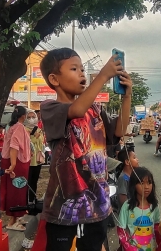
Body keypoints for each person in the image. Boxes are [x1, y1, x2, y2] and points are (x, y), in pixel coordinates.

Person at [38, 48, 132, 251]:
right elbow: (76, 110)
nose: (81, 73)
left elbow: (120, 129)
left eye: (82, 68)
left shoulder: (95, 110)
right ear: (54, 79)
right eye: (74, 69)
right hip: (64, 209)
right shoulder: (50, 108)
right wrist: (103, 75)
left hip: (97, 206)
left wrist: (127, 96)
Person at [117, 167, 161, 251]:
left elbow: (157, 227)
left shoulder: (153, 205)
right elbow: (121, 230)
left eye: (149, 183)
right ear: (133, 185)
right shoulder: (127, 206)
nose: (146, 187)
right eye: (142, 183)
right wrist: (129, 247)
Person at [0, 105, 32, 231]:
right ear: (23, 116)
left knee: (19, 188)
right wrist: (13, 164)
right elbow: (14, 146)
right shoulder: (18, 127)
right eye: (28, 116)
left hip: (18, 161)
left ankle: (17, 216)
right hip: (16, 162)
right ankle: (12, 220)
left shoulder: (13, 126)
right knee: (16, 189)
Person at [25, 109, 45, 204]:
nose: (31, 119)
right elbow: (26, 143)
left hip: (37, 159)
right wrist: (33, 137)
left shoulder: (39, 129)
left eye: (33, 117)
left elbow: (41, 143)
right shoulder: (23, 129)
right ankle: (26, 200)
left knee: (35, 180)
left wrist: (34, 137)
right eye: (29, 117)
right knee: (27, 181)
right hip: (27, 159)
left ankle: (32, 199)